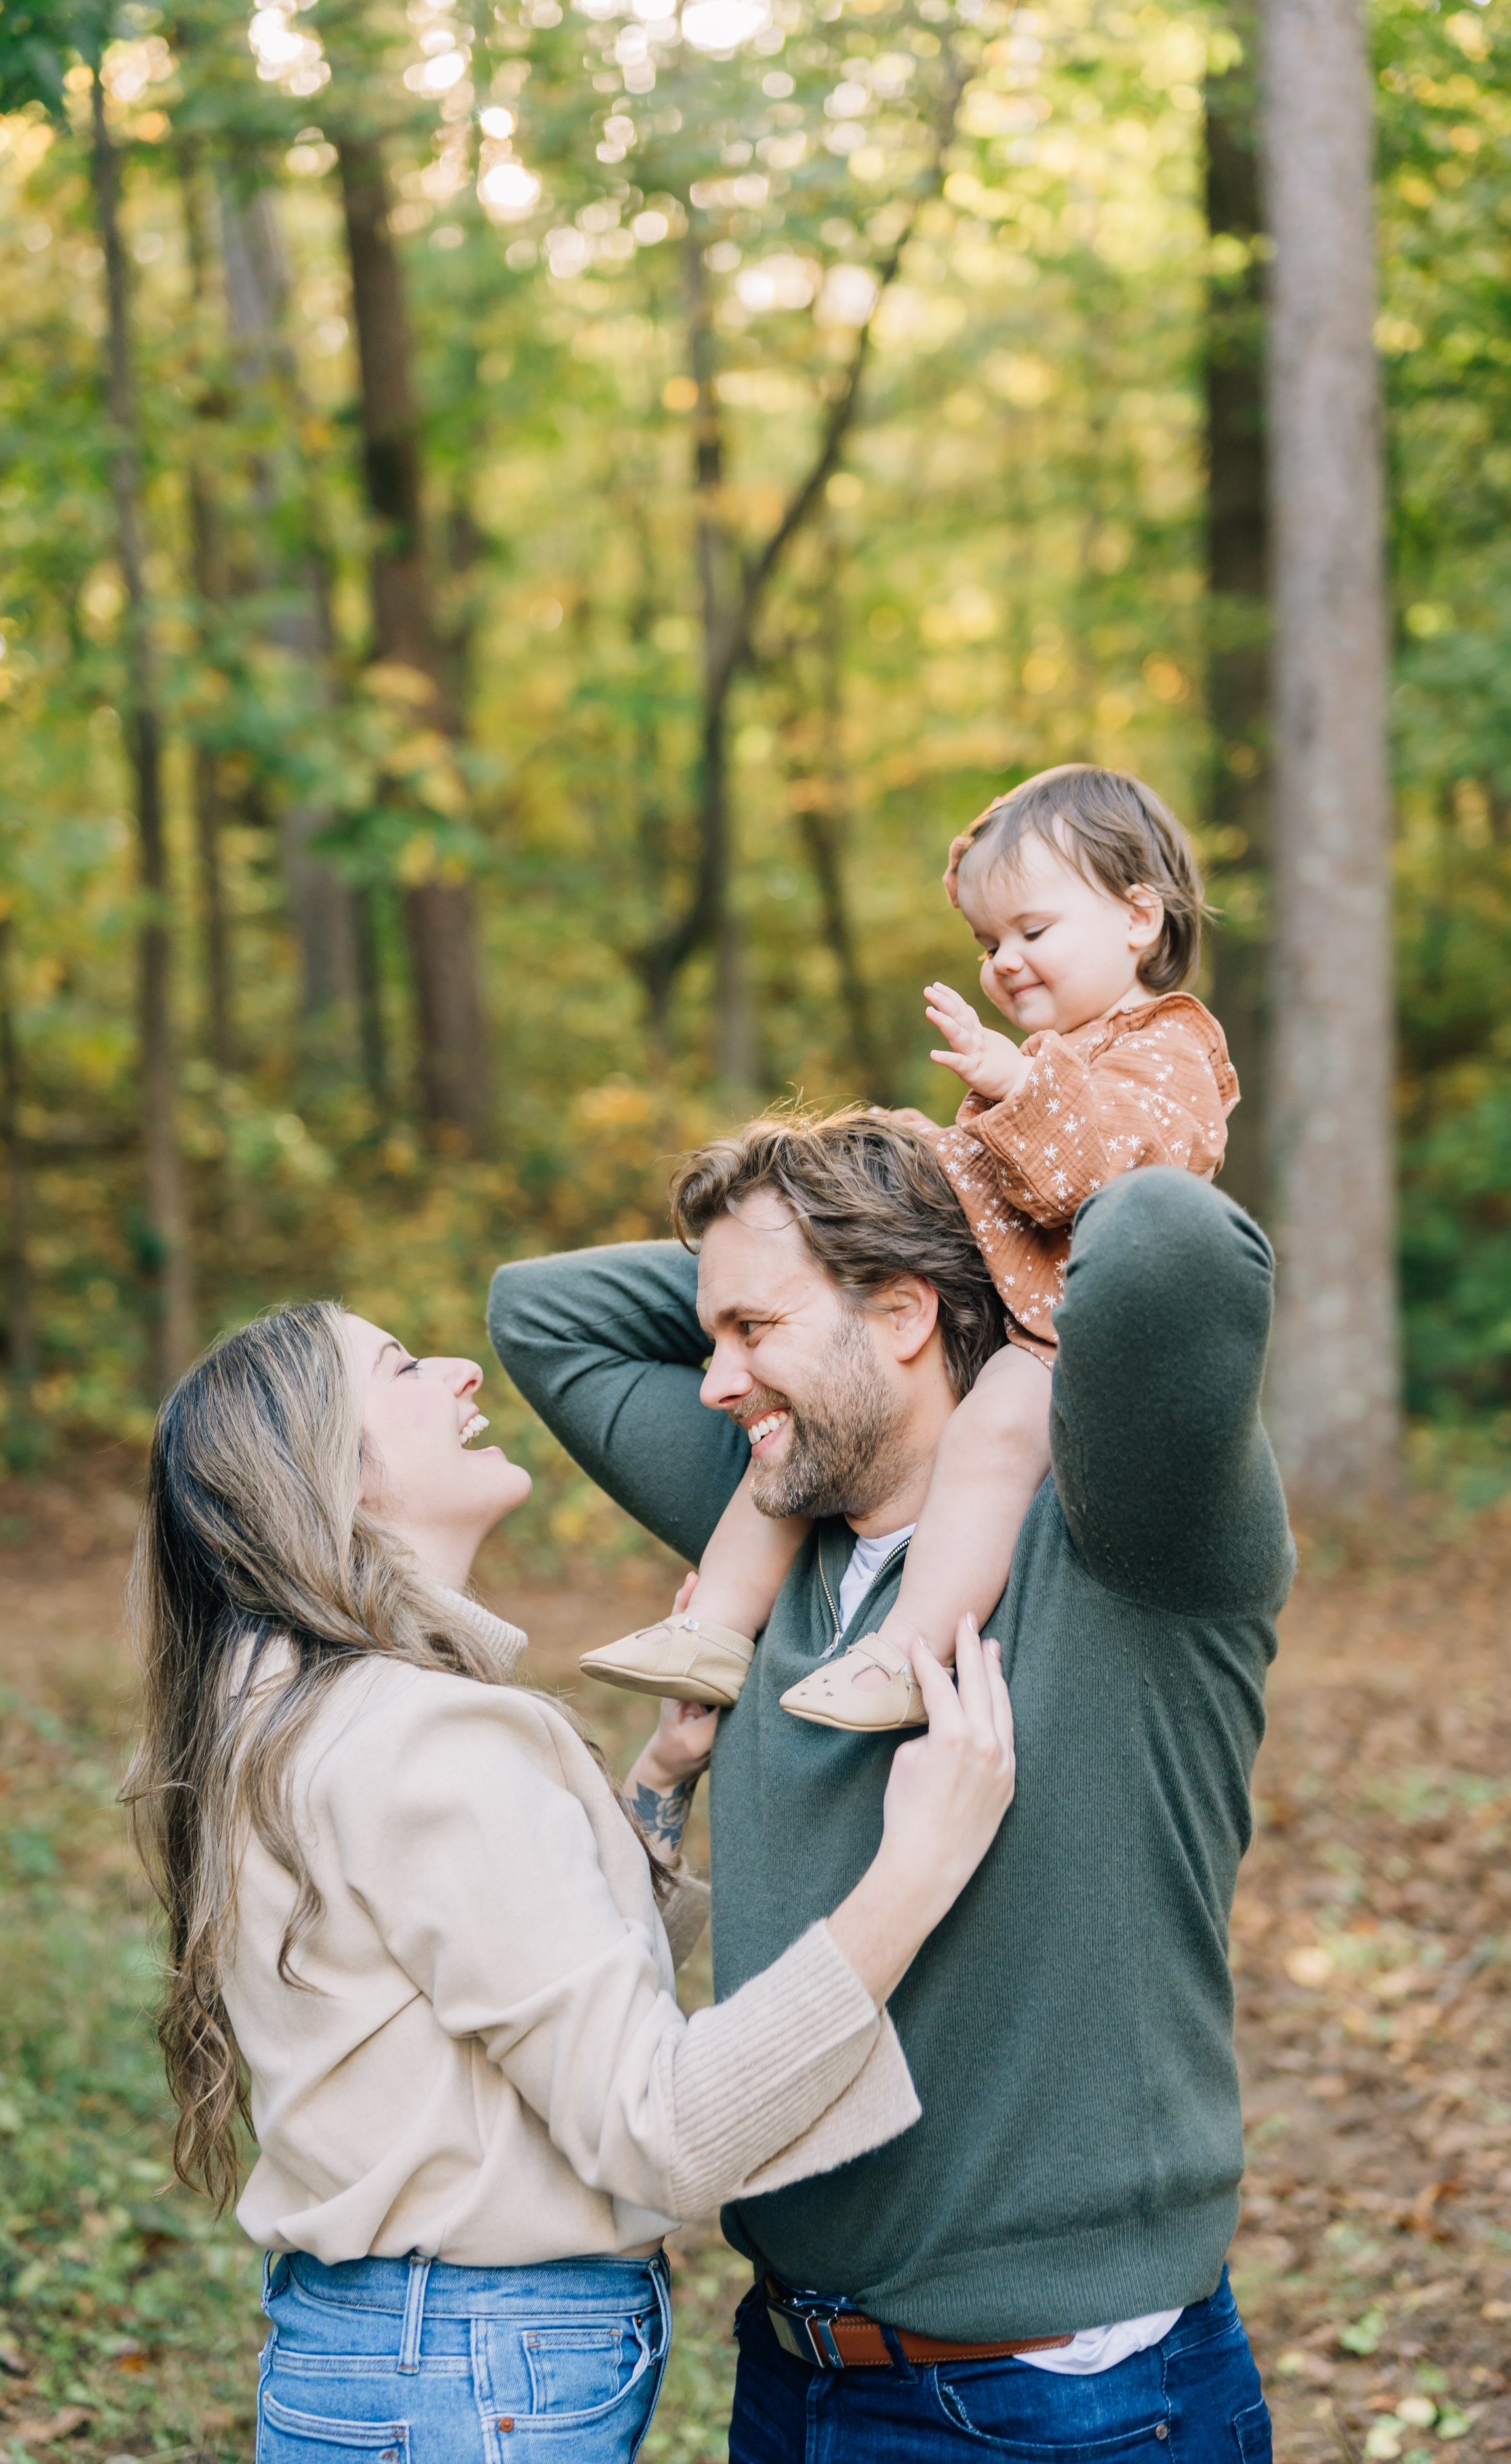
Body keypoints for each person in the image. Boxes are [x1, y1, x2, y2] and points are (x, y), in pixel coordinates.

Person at [489, 1115, 1293, 2461]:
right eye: (709, 1335)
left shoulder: (1128, 1531)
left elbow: (1165, 1238)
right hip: (795, 2372)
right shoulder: (770, 1513)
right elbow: (539, 1312)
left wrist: (984, 1198)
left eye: (752, 1327)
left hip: (1062, 2403)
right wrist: (821, 1229)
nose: (712, 1382)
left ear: (908, 1312)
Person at [123, 1299, 1018, 2464]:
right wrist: (921, 1861)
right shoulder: (426, 1742)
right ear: (326, 1474)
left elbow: (489, 1984)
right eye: (398, 1366)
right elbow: (655, 2128)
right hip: (465, 2374)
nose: (455, 1369)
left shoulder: (287, 1711)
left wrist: (654, 1784)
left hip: (398, 2354)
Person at [579, 764, 1239, 1732]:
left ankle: (909, 1648)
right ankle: (715, 1626)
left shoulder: (1169, 1048)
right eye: (987, 941)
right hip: (992, 1320)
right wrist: (896, 1153)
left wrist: (1015, 1086)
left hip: (1076, 1352)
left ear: (1139, 917)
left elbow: (1123, 1178)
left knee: (990, 1434)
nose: (1005, 960)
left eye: (1032, 931)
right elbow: (976, 1187)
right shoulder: (1046, 1062)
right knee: (810, 1416)